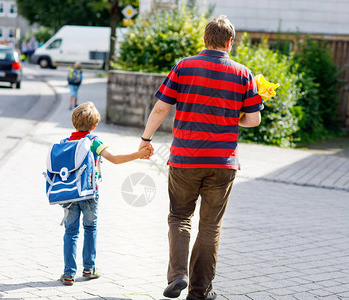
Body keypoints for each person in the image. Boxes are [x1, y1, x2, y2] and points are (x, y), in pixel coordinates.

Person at [138, 15, 263, 300]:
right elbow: (253, 120)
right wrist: (236, 115)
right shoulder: (244, 73)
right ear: (230, 42)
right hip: (223, 162)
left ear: (205, 40)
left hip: (185, 158)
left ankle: (178, 275)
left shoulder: (184, 66)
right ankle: (199, 292)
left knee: (180, 216)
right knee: (210, 226)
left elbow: (160, 109)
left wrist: (146, 140)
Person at [60, 102, 152, 286]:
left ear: (73, 123)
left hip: (69, 195)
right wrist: (139, 153)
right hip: (89, 195)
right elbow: (115, 159)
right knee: (90, 229)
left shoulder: (65, 142)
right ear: (94, 126)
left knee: (70, 232)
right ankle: (89, 269)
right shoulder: (94, 141)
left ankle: (68, 274)